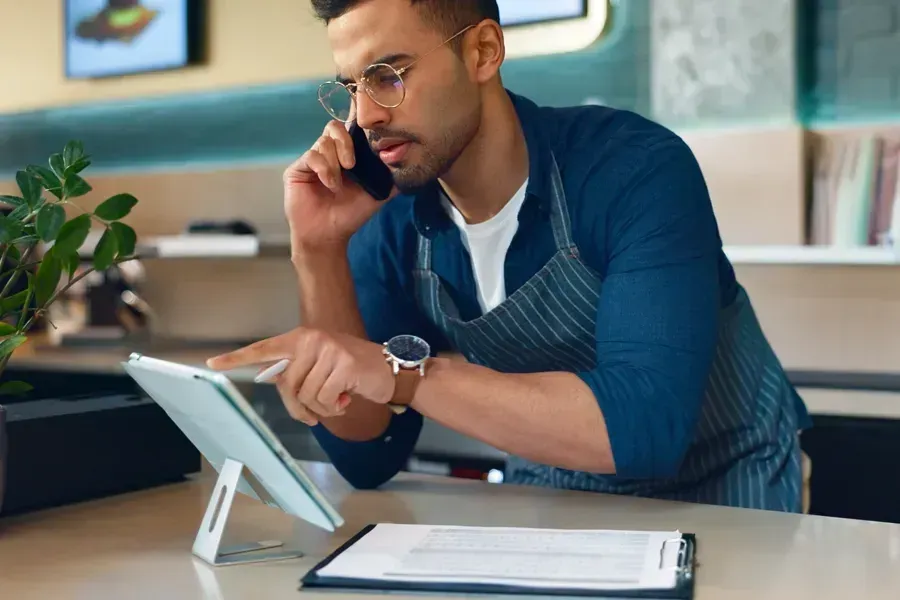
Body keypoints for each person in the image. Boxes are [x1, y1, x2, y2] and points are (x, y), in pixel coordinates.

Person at [207, 0, 812, 512]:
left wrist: (402, 374)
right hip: (551, 488)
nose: (365, 116)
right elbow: (368, 451)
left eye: (388, 75)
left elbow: (646, 428)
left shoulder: (634, 168)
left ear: (483, 52)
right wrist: (318, 249)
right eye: (351, 87)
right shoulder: (391, 215)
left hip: (725, 487)